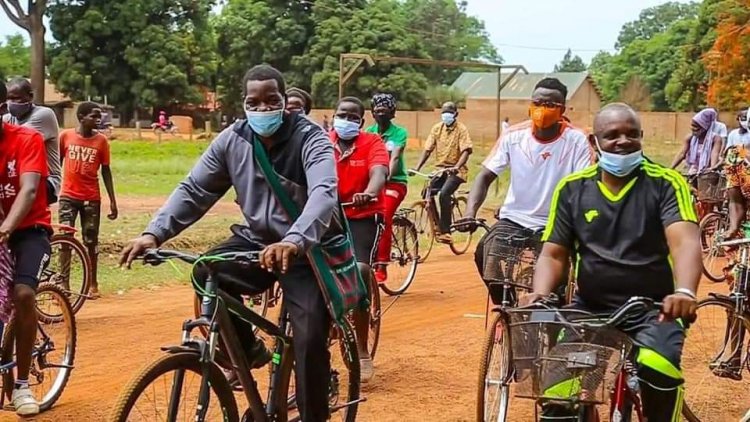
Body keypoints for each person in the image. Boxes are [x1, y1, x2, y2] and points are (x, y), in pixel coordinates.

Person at [120, 64, 337, 422]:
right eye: (255, 102)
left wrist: (295, 240)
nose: (263, 109)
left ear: (285, 102)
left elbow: (324, 195)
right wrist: (152, 233)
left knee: (309, 338)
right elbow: (194, 189)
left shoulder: (310, 138)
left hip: (304, 251)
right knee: (207, 271)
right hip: (256, 241)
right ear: (243, 103)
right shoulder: (233, 140)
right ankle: (249, 351)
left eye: (272, 101)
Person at [526, 103, 701, 421]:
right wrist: (540, 291)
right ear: (594, 143)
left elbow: (685, 240)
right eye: (612, 135)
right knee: (556, 396)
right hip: (589, 310)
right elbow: (553, 253)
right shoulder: (572, 189)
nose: (623, 141)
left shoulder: (665, 184)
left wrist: (686, 292)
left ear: (642, 138)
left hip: (655, 310)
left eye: (632, 134)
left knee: (657, 368)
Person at [455, 77, 591, 303]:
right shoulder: (513, 136)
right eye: (537, 103)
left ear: (562, 110)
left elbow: (584, 186)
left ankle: (555, 318)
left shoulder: (577, 140)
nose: (542, 109)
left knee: (557, 283)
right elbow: (485, 176)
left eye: (550, 105)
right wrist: (470, 212)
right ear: (530, 105)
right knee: (484, 253)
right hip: (514, 219)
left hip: (556, 222)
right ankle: (507, 309)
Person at [0, 83, 53, 416]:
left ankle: (21, 386)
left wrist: (5, 229)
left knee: (22, 295)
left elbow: (30, 190)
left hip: (29, 231)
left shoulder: (26, 138)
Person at [330, 96, 388, 382]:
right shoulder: (321, 143)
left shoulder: (372, 143)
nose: (347, 120)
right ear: (333, 116)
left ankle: (362, 351)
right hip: (327, 217)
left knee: (361, 270)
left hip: (361, 215)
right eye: (343, 115)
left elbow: (380, 172)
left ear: (362, 122)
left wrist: (370, 190)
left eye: (353, 117)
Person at [58, 102, 118, 298]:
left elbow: (106, 171)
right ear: (81, 117)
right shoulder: (66, 136)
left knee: (90, 241)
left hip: (91, 198)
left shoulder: (101, 141)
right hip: (67, 196)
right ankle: (63, 284)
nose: (98, 120)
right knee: (65, 240)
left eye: (99, 116)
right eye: (94, 116)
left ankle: (93, 283)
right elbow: (56, 163)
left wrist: (112, 200)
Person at [413, 101, 473, 243]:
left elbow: (466, 151)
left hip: (456, 171)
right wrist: (417, 167)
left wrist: (457, 166)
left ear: (455, 114)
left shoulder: (461, 129)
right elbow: (428, 149)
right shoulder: (437, 129)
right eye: (444, 113)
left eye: (450, 113)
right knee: (426, 192)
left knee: (444, 194)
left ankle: (445, 231)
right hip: (441, 170)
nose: (446, 115)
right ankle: (436, 224)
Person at [365, 93, 409, 283]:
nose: (380, 114)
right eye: (376, 111)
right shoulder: (369, 131)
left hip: (394, 182)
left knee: (384, 213)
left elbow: (395, 157)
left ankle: (382, 264)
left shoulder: (399, 133)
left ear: (392, 113)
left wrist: (385, 177)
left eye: (384, 111)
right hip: (373, 183)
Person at [3, 78, 61, 205]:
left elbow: (18, 142)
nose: (10, 103)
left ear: (30, 97)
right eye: (8, 99)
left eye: (15, 98)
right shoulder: (8, 118)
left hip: (47, 180)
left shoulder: (44, 115)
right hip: (18, 177)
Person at [671, 108, 722, 175]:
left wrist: (711, 169)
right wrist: (671, 169)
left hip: (707, 172)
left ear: (704, 127)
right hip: (693, 170)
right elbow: (682, 154)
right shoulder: (689, 138)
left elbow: (714, 155)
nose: (692, 128)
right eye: (692, 125)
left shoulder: (716, 139)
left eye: (695, 126)